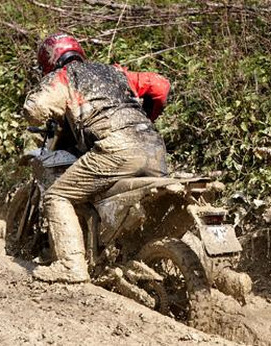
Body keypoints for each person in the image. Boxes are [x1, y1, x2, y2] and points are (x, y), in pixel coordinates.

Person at [23, 33, 170, 283]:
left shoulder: (64, 76)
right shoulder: (114, 72)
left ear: (49, 60)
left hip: (116, 150)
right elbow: (160, 86)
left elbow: (34, 109)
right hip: (154, 148)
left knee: (58, 196)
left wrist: (43, 113)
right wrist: (148, 116)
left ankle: (71, 265)